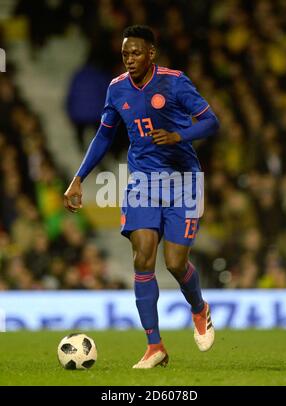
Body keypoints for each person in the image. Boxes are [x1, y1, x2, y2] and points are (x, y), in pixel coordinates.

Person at [64, 25, 219, 369]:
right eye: (125, 54)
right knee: (142, 258)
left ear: (152, 53)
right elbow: (103, 137)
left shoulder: (175, 81)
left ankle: (199, 308)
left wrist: (179, 136)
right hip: (143, 182)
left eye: (136, 53)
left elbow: (211, 122)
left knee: (176, 264)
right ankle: (155, 346)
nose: (129, 60)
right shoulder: (116, 89)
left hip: (184, 182)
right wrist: (78, 179)